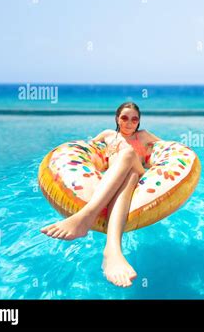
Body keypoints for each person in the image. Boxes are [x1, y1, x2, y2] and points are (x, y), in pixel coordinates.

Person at [41, 102, 161, 287]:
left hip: (139, 171)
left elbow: (166, 148)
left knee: (128, 154)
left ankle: (85, 216)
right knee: (129, 177)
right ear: (117, 118)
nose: (129, 123)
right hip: (121, 176)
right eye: (124, 118)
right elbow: (88, 147)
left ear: (139, 121)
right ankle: (113, 251)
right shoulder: (108, 135)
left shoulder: (143, 136)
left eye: (134, 119)